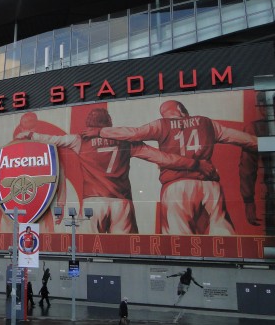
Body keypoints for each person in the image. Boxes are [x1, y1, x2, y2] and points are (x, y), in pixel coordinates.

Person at [19, 107, 214, 233]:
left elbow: (52, 140)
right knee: (124, 248)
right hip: (122, 203)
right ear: (109, 124)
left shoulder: (79, 140)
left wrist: (30, 134)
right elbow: (162, 158)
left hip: (92, 202)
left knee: (85, 251)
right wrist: (194, 164)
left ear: (89, 124)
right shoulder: (126, 142)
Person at [83, 100, 257, 235]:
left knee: (178, 235)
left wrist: (100, 132)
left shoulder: (161, 125)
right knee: (222, 227)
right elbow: (248, 141)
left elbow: (134, 133)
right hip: (209, 183)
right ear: (182, 110)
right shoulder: (207, 123)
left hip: (176, 184)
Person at [239, 91, 274, 231]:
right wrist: (248, 200)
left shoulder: (256, 128)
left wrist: (248, 201)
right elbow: (248, 168)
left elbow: (247, 168)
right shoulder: (255, 128)